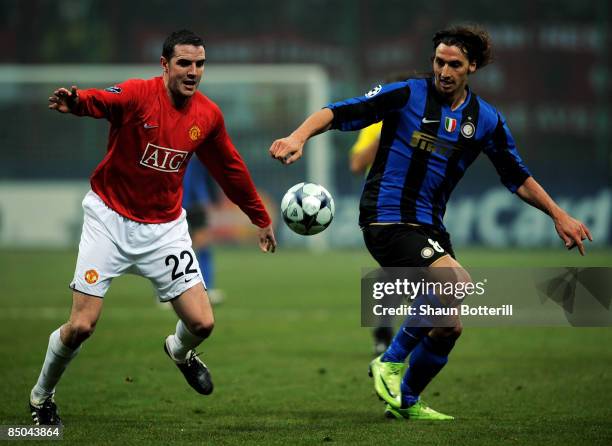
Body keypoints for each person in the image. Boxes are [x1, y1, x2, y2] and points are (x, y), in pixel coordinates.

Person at [270, 25, 591, 421]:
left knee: (448, 327)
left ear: (472, 66)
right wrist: (298, 137)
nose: (444, 71)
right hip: (386, 217)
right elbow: (339, 111)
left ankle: (404, 402)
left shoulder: (486, 120)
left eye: (454, 64)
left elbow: (516, 176)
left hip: (429, 226)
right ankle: (388, 362)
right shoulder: (407, 93)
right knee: (457, 282)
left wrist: (559, 215)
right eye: (439, 61)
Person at [30, 29, 276, 426]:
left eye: (199, 64)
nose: (193, 71)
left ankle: (179, 351)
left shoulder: (208, 116)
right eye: (184, 63)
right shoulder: (138, 94)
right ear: (165, 65)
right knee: (80, 326)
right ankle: (42, 396)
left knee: (203, 323)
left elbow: (229, 167)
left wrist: (259, 217)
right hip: (109, 220)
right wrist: (77, 102)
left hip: (164, 228)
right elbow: (104, 100)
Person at [182, 157, 224, 304]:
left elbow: (209, 175)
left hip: (196, 204)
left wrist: (213, 198)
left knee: (203, 246)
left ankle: (206, 288)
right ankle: (170, 292)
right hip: (177, 203)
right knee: (176, 249)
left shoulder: (201, 151)